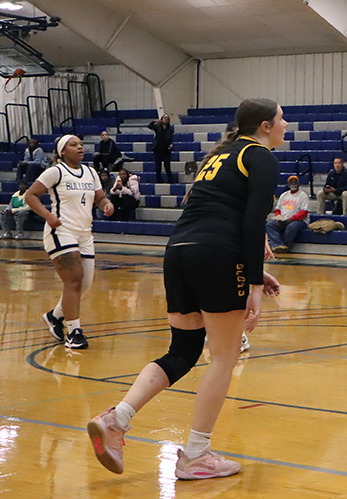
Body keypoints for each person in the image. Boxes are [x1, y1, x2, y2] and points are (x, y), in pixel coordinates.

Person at [86, 98, 284, 480]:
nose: (285, 123)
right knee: (224, 358)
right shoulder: (260, 156)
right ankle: (196, 455)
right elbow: (252, 219)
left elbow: (210, 208)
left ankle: (117, 419)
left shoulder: (221, 155)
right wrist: (254, 282)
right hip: (218, 255)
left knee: (183, 350)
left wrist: (250, 264)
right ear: (263, 126)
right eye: (281, 118)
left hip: (180, 250)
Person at [25, 135, 113, 349]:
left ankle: (55, 317)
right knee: (74, 280)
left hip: (85, 233)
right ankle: (74, 332)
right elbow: (31, 195)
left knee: (84, 284)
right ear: (62, 151)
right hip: (61, 231)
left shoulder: (91, 173)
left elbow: (99, 197)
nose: (79, 147)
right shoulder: (56, 171)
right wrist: (48, 216)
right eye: (73, 145)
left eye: (81, 144)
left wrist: (106, 204)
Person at [265, 175, 310, 253]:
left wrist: (292, 219)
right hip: (283, 218)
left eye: (295, 183)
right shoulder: (284, 195)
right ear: (288, 184)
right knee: (269, 225)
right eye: (291, 183)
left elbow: (304, 212)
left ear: (299, 184)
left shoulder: (303, 196)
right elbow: (277, 209)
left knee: (291, 227)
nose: (293, 185)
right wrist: (278, 218)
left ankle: (284, 245)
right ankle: (278, 245)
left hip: (299, 220)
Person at [148, 114, 175, 184]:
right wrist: (154, 121)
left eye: (167, 118)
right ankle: (159, 181)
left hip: (166, 150)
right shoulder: (157, 127)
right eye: (164, 118)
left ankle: (170, 181)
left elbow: (171, 139)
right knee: (158, 167)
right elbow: (149, 126)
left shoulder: (170, 130)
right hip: (157, 149)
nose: (165, 119)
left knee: (167, 167)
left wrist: (171, 144)